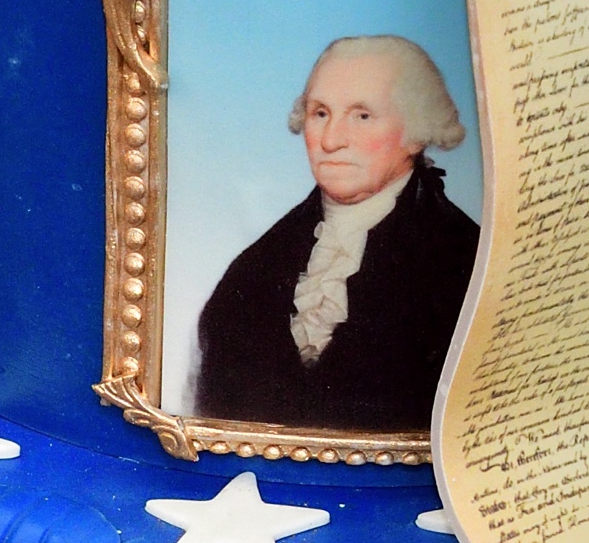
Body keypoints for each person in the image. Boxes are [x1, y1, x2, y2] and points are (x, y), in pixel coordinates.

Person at [191, 34, 480, 438]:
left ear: (417, 131)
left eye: (362, 116)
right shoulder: (253, 269)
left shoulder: (465, 261)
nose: (330, 141)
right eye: (320, 113)